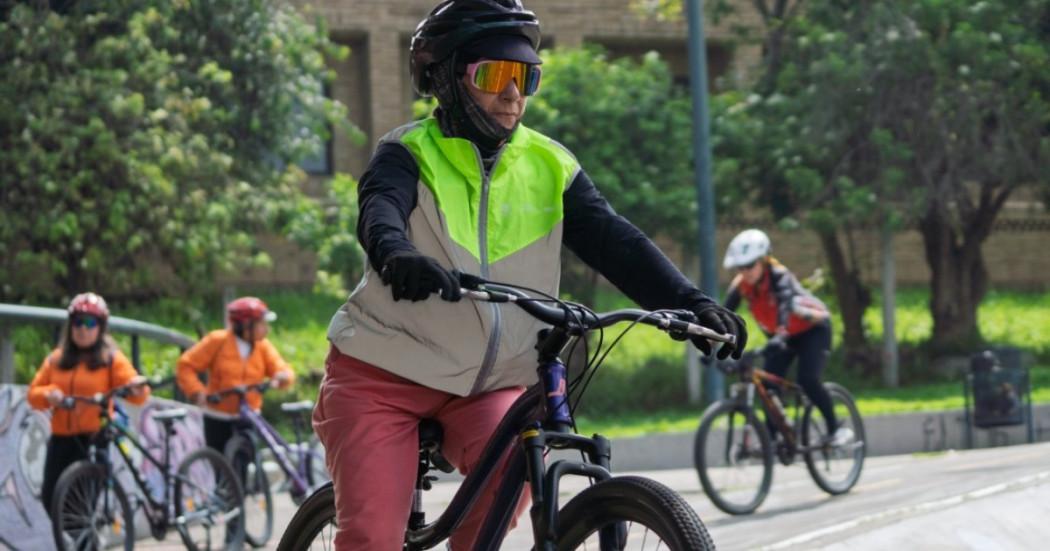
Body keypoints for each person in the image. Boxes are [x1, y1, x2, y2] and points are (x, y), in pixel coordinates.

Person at [312, 1, 748, 549]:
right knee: (375, 537)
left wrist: (691, 302)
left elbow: (618, 244)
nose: (513, 94)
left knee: (508, 486)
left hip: (486, 386)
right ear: (445, 79)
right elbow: (380, 213)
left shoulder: (550, 165)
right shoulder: (407, 152)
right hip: (382, 376)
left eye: (526, 77)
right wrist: (398, 256)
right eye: (495, 75)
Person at [722, 229, 853, 446]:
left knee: (808, 380)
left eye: (750, 265)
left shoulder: (779, 276)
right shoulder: (741, 285)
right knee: (766, 384)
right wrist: (711, 345)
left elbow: (784, 304)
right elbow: (724, 315)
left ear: (763, 260)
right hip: (783, 336)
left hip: (812, 330)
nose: (745, 271)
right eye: (740, 267)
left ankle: (835, 428)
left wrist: (781, 333)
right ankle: (774, 440)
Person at [28, 292, 150, 517]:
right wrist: (49, 394)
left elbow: (137, 394)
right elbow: (33, 395)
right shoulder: (56, 359)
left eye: (90, 323)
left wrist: (135, 386)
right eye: (77, 322)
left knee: (82, 504)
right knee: (51, 498)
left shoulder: (111, 358)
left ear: (101, 327)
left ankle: (85, 543)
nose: (83, 329)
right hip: (61, 438)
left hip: (95, 437)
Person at [176, 296, 294, 454]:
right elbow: (186, 365)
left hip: (249, 415)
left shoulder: (262, 346)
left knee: (245, 465)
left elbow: (280, 367)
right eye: (261, 324)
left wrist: (283, 376)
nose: (267, 329)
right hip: (218, 416)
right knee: (221, 467)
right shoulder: (217, 341)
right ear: (246, 325)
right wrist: (197, 392)